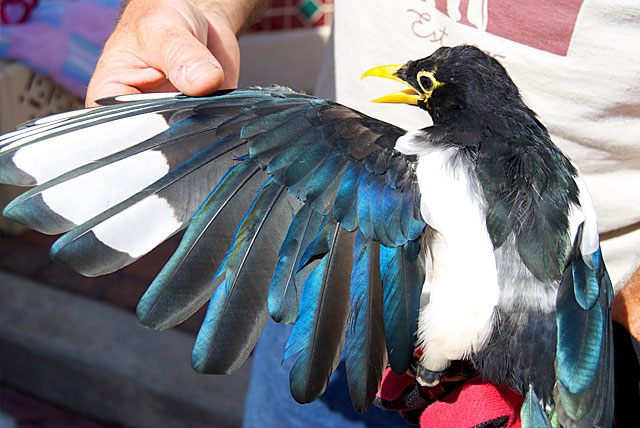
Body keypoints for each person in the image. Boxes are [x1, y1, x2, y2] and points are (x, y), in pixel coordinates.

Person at [87, 0, 640, 426]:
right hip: (354, 289)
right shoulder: (561, 175)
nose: (404, 86)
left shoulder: (424, 162)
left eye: (422, 84)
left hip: (605, 325)